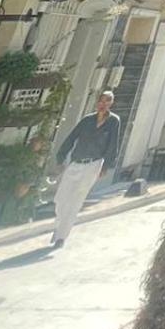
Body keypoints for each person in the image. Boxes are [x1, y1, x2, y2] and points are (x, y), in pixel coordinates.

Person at [51, 90, 120, 247]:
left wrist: (106, 166)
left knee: (76, 200)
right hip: (76, 163)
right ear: (97, 102)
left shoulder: (113, 121)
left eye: (107, 101)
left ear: (111, 103)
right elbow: (71, 138)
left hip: (93, 164)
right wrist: (61, 158)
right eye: (101, 101)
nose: (103, 104)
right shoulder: (87, 120)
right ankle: (59, 226)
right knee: (60, 198)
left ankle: (61, 237)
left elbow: (113, 144)